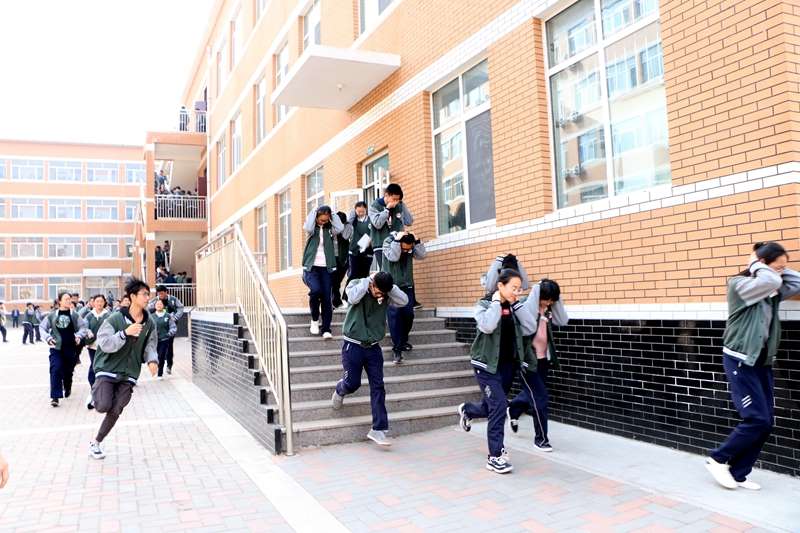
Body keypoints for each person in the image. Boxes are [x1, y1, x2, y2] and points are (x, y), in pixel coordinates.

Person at [705, 242, 800, 491]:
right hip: (740, 359)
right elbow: (770, 280)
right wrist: (756, 263)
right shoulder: (739, 285)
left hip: (762, 361)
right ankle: (718, 459)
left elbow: (797, 282)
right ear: (762, 265)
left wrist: (779, 268)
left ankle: (739, 473)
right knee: (756, 418)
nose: (781, 273)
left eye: (784, 268)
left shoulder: (771, 291)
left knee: (766, 421)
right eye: (778, 267)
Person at [457, 269, 537, 474]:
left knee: (492, 406)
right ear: (500, 286)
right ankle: (495, 456)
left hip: (507, 365)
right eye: (513, 288)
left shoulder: (515, 306)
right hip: (486, 366)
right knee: (500, 405)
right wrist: (496, 302)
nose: (517, 292)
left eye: (519, 289)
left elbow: (530, 327)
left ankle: (468, 410)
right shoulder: (484, 305)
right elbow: (487, 326)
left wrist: (516, 304)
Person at [331, 272, 409, 446]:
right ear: (372, 284)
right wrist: (367, 281)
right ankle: (340, 389)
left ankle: (378, 429)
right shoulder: (357, 284)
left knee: (378, 386)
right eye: (377, 291)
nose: (379, 295)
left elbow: (404, 301)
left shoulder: (386, 293)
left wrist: (390, 288)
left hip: (373, 347)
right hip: (353, 345)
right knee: (352, 384)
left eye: (382, 293)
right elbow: (352, 298)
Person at [88, 278, 159, 460]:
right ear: (133, 296)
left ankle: (96, 442)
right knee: (103, 405)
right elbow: (104, 342)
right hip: (108, 368)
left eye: (148, 294)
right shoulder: (115, 318)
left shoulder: (149, 322)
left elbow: (151, 345)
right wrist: (124, 333)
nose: (148, 298)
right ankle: (97, 392)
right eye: (144, 294)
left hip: (129, 373)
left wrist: (152, 360)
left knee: (116, 408)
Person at [507, 279, 568, 452]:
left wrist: (556, 300)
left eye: (552, 300)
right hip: (528, 361)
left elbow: (563, 320)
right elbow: (527, 323)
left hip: (542, 361)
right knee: (540, 398)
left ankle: (513, 409)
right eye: (546, 299)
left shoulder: (548, 309)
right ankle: (541, 439)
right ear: (538, 295)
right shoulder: (526, 306)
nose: (549, 303)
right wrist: (536, 289)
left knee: (532, 393)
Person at [382, 231, 426, 364]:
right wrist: (396, 242)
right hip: (392, 287)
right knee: (395, 317)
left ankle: (403, 339)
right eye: (404, 249)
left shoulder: (410, 245)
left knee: (409, 315)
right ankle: (397, 349)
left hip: (408, 286)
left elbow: (422, 255)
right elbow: (393, 257)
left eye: (409, 249)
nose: (406, 251)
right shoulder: (388, 242)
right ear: (399, 242)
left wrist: (417, 242)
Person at [302, 205, 344, 339]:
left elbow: (340, 228)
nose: (323, 222)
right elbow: (308, 227)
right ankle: (314, 320)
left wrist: (333, 214)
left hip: (327, 268)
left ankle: (326, 329)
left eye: (326, 220)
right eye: (321, 220)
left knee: (326, 297)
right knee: (315, 291)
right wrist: (314, 211)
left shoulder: (330, 229)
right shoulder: (311, 229)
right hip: (311, 267)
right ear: (316, 217)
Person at [40, 292, 88, 407]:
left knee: (68, 371)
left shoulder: (74, 315)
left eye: (69, 299)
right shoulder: (52, 315)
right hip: (56, 348)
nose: (69, 301)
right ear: (59, 301)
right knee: (56, 369)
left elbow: (83, 327)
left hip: (71, 348)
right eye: (66, 299)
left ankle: (67, 386)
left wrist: (79, 336)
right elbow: (42, 327)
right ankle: (55, 397)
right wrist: (48, 338)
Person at [368, 184, 413, 269]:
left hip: (397, 243)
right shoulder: (374, 206)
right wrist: (387, 209)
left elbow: (409, 221)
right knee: (386, 271)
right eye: (394, 199)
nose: (396, 202)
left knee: (398, 270)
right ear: (386, 195)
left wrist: (402, 205)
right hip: (380, 244)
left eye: (398, 199)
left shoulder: (399, 205)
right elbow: (377, 224)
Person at [147, 285, 184, 375]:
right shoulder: (155, 300)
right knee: (157, 347)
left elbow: (180, 308)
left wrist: (175, 317)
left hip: (169, 326)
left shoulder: (173, 300)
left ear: (166, 292)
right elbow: (147, 309)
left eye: (162, 293)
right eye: (159, 294)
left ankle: (169, 365)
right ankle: (158, 364)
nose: (160, 295)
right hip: (158, 328)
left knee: (169, 346)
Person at [84, 295, 111, 410]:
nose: (99, 303)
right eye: (97, 301)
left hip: (105, 347)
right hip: (92, 346)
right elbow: (83, 326)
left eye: (101, 301)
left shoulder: (109, 315)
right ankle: (94, 390)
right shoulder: (89, 315)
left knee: (102, 368)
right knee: (94, 367)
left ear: (104, 303)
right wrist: (87, 331)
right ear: (93, 303)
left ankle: (99, 393)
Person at [344, 201, 374, 300]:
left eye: (362, 211)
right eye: (358, 211)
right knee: (353, 274)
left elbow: (374, 233)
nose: (360, 213)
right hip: (354, 251)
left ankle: (362, 296)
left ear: (366, 210)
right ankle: (347, 297)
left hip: (367, 250)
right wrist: (353, 214)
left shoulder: (370, 220)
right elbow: (347, 228)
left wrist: (370, 241)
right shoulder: (353, 220)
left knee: (364, 274)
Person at [331, 211, 353, 309]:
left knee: (337, 281)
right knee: (333, 281)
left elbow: (345, 237)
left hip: (342, 259)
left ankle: (336, 301)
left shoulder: (347, 227)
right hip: (332, 258)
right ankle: (335, 301)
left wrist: (341, 228)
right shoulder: (330, 227)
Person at [153, 299, 177, 379]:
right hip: (154, 341)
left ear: (163, 306)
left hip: (164, 340)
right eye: (157, 304)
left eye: (160, 304)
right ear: (155, 306)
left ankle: (160, 374)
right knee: (155, 357)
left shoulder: (168, 316)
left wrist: (169, 334)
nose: (159, 305)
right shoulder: (152, 317)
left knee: (161, 356)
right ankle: (156, 368)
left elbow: (173, 327)